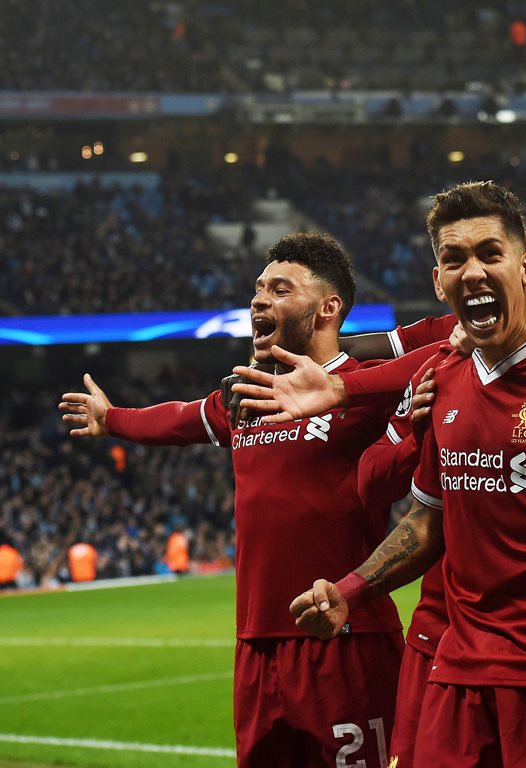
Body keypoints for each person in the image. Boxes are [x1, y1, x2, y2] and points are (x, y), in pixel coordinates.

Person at [243, 182, 526, 767]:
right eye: (454, 259)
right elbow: (426, 524)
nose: (472, 271)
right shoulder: (445, 379)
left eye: (489, 254)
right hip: (460, 675)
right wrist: (348, 592)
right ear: (437, 281)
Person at [59, 233, 404, 768]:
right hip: (257, 645)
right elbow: (176, 418)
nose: (259, 299)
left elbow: (454, 350)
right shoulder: (245, 397)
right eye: (258, 288)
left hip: (343, 633)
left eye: (280, 289)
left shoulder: (364, 389)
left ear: (328, 308)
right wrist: (114, 419)